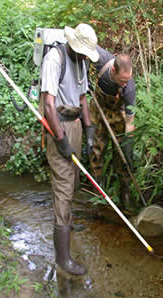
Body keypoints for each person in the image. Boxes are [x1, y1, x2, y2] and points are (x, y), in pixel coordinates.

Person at [41, 23, 99, 275]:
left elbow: (83, 98)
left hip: (75, 126)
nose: (86, 56)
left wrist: (88, 130)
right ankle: (62, 259)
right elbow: (49, 106)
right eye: (83, 51)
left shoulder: (82, 62)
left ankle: (68, 226)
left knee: (73, 182)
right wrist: (61, 140)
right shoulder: (55, 59)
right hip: (59, 129)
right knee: (63, 188)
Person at [89, 46, 136, 209]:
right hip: (98, 108)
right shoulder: (100, 59)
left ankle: (125, 192)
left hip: (117, 114)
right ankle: (97, 190)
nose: (125, 84)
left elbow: (130, 122)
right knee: (96, 149)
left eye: (128, 80)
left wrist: (127, 145)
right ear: (114, 70)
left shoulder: (129, 88)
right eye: (122, 80)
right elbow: (83, 46)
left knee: (121, 155)